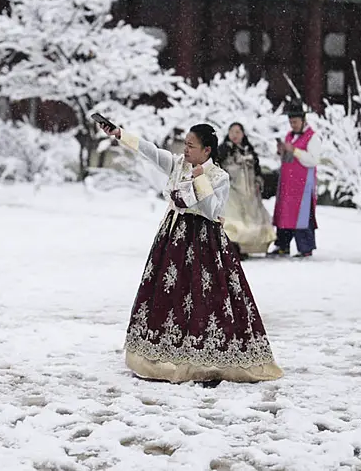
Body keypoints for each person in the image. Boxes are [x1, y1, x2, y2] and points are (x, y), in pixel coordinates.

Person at [103, 121, 283, 384]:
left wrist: (200, 179)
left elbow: (212, 211)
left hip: (204, 242)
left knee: (205, 297)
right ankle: (163, 355)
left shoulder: (219, 177)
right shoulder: (178, 165)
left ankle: (207, 356)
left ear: (207, 150)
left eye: (191, 145)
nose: (185, 149)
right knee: (170, 294)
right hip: (173, 239)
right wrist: (121, 135)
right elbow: (151, 151)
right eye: (185, 143)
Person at [270, 100, 321, 258]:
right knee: (285, 215)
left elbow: (313, 160)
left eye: (295, 122)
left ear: (303, 120)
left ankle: (305, 248)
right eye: (291, 122)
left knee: (302, 216)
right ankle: (282, 245)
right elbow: (290, 159)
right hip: (288, 184)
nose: (293, 125)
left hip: (303, 185)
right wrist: (282, 152)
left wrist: (295, 150)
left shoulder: (313, 137)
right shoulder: (289, 136)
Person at [218, 123, 275, 258]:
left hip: (249, 191)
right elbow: (216, 166)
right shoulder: (223, 149)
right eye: (232, 131)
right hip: (232, 190)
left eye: (238, 132)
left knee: (251, 219)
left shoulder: (249, 150)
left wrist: (258, 182)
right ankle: (233, 247)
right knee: (234, 218)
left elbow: (257, 169)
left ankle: (245, 248)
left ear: (243, 134)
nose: (235, 135)